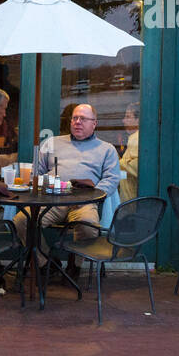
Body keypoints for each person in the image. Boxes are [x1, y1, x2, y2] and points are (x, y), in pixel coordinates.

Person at [15, 103, 120, 275]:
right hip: (52, 200)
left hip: (84, 202)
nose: (78, 122)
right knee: (22, 221)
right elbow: (36, 173)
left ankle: (75, 264)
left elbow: (112, 179)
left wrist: (94, 195)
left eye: (83, 119)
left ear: (94, 123)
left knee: (88, 227)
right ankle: (46, 262)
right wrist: (45, 184)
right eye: (75, 118)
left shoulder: (106, 149)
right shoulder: (51, 143)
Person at [119, 102, 140, 202]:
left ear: (138, 120)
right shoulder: (134, 138)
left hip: (132, 200)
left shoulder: (136, 138)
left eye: (128, 117)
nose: (123, 120)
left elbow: (138, 167)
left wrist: (117, 162)